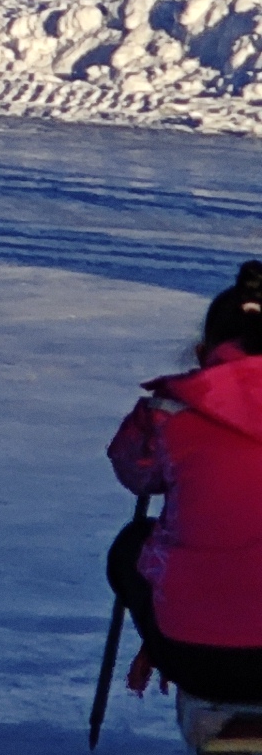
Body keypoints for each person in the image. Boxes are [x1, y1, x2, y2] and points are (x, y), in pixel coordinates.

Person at [105, 266, 262, 714]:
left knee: (131, 546)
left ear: (203, 350)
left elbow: (135, 474)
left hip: (193, 656)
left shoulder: (172, 412)